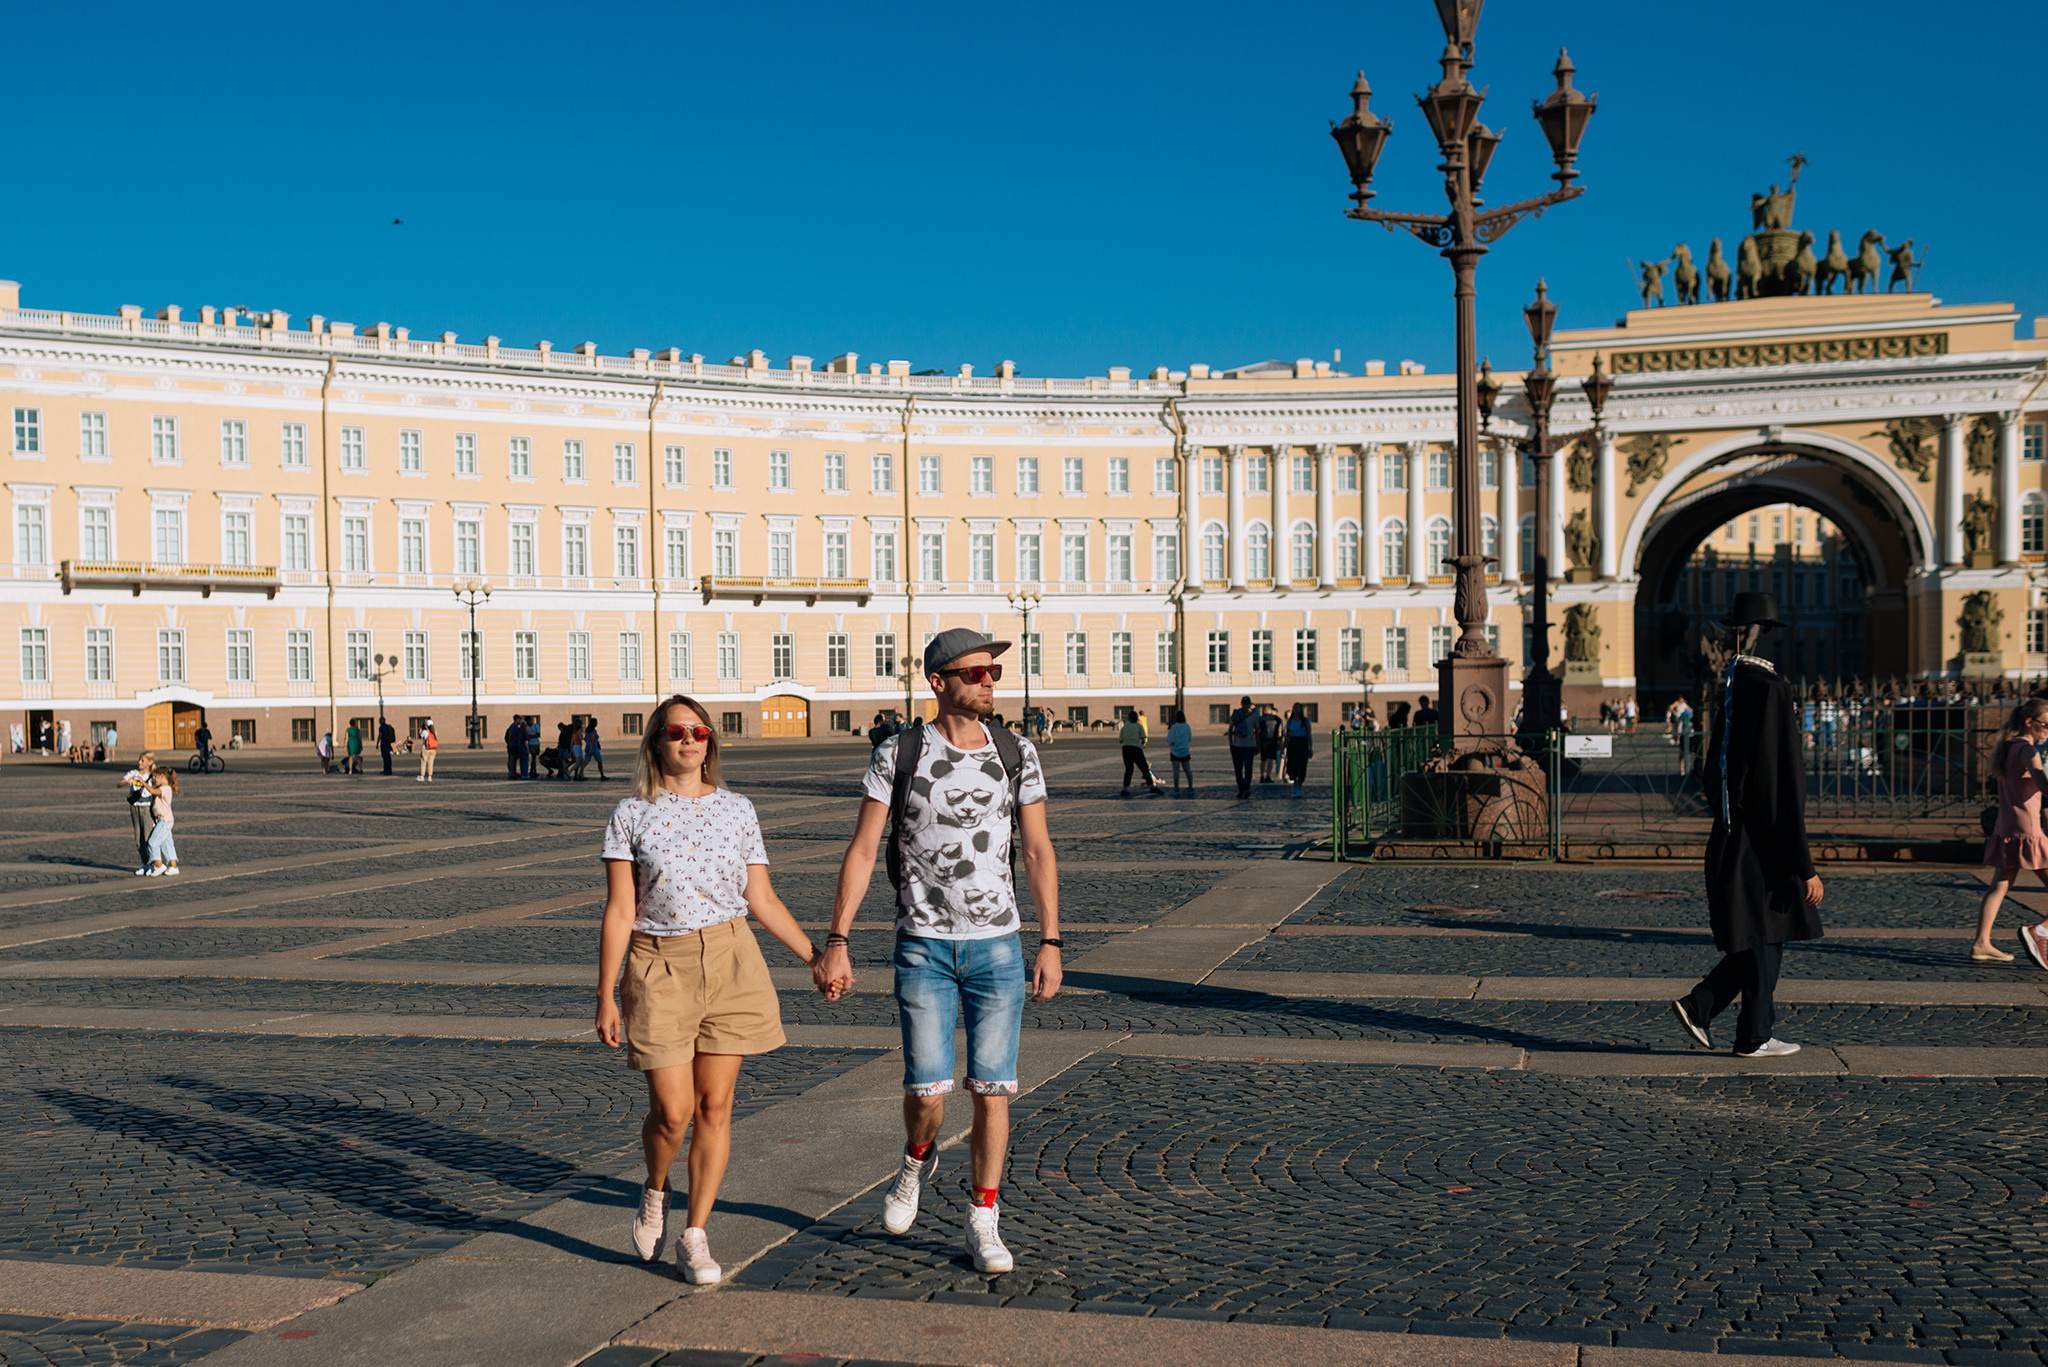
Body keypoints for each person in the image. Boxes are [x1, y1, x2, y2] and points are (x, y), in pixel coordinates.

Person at [818, 627, 1060, 1275]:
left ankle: (983, 1217)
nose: (988, 681)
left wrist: (1051, 939)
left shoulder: (1017, 752)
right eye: (975, 672)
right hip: (923, 946)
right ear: (938, 681)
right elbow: (865, 848)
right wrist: (838, 938)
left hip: (997, 948)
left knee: (992, 1088)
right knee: (928, 1089)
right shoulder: (898, 753)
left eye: (993, 673)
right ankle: (913, 1160)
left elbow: (1036, 850)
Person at [596, 694, 840, 1283]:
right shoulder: (631, 812)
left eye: (699, 732)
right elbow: (620, 908)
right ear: (656, 741)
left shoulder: (738, 809)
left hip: (732, 959)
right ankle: (656, 1188)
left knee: (715, 1106)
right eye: (676, 731)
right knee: (672, 1111)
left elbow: (761, 897)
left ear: (712, 742)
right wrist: (606, 992)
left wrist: (816, 955)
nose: (689, 740)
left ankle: (696, 1235)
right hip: (660, 964)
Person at [1671, 593, 1822, 1058]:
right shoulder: (1772, 690)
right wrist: (1804, 863)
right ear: (1762, 632)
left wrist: (1727, 818)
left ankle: (1714, 1011)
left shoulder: (1733, 689)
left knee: (1763, 936)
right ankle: (1746, 1031)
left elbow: (1711, 771)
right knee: (1765, 934)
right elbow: (1783, 787)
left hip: (1735, 835)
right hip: (1765, 844)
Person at [1973, 698, 2048, 964]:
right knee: (2000, 885)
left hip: (2007, 827)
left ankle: (1982, 943)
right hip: (2028, 829)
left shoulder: (2007, 748)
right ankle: (2039, 931)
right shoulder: (2028, 751)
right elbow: (2044, 786)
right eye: (2046, 724)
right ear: (2030, 722)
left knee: (2000, 885)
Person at [120, 751, 156, 874]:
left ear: (150, 762)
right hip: (134, 807)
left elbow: (157, 792)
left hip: (146, 808)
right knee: (138, 838)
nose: (139, 762)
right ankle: (145, 864)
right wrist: (126, 781)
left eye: (142, 760)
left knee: (148, 837)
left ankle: (154, 864)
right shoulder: (133, 773)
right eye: (139, 760)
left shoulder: (153, 776)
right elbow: (119, 784)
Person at [144, 768, 181, 876]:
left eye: (156, 777)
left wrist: (142, 782)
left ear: (163, 777)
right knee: (167, 843)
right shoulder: (161, 788)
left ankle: (159, 865)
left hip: (165, 820)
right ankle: (174, 867)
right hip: (163, 820)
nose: (154, 779)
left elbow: (152, 791)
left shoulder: (165, 789)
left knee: (153, 842)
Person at [1117, 712, 1161, 796]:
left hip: (1126, 749)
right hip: (1136, 748)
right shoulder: (1139, 726)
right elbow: (1144, 738)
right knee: (1144, 768)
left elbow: (1120, 740)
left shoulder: (1125, 727)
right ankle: (1152, 786)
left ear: (1129, 718)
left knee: (1129, 769)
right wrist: (1142, 744)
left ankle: (1125, 789)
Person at [1226, 696, 1258, 799]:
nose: (1245, 705)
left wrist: (1258, 745)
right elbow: (1230, 728)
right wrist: (1231, 742)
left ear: (1249, 704)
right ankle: (1241, 789)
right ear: (1241, 704)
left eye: (1247, 704)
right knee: (1238, 769)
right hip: (1237, 745)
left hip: (1249, 745)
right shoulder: (1236, 714)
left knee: (1248, 768)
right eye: (1243, 703)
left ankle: (1246, 788)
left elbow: (1257, 731)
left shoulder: (1254, 716)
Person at [1283, 703, 1313, 798]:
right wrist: (1284, 746)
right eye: (1294, 708)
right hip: (1292, 744)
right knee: (1292, 766)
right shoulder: (1290, 721)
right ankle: (1295, 782)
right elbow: (1287, 735)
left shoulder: (1305, 721)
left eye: (1298, 708)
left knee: (1301, 766)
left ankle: (1299, 787)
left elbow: (1308, 734)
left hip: (1302, 744)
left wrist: (1310, 748)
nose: (1296, 710)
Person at [1166, 708, 1194, 795]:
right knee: (1188, 770)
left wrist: (1172, 745)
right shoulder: (1187, 726)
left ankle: (1176, 788)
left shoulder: (1174, 727)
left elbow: (1169, 739)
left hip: (1175, 752)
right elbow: (1189, 738)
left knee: (1176, 772)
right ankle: (1190, 787)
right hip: (1185, 751)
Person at [1255, 705, 1282, 783]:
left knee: (1263, 760)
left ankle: (1262, 776)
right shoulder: (1277, 719)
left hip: (1263, 741)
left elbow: (1257, 730)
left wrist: (1257, 742)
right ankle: (1268, 776)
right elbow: (1280, 731)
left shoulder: (1261, 719)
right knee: (1271, 760)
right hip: (1273, 741)